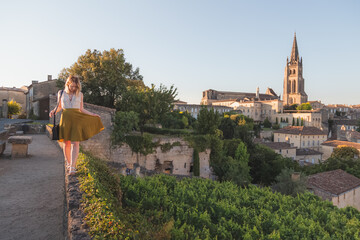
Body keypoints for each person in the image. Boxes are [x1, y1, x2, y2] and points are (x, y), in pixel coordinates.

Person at [49, 75, 104, 175]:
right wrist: (53, 111)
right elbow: (60, 107)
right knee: (66, 143)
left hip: (77, 120)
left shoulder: (80, 94)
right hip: (65, 119)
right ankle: (69, 163)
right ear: (68, 84)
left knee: (75, 143)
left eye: (75, 86)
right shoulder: (61, 93)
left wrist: (92, 114)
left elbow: (81, 109)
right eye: (72, 86)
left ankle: (73, 167)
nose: (74, 88)